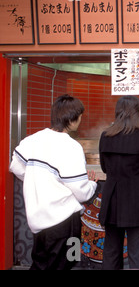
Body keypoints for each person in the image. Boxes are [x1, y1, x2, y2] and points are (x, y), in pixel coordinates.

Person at [9, 94, 98, 270]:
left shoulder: (32, 140)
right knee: (67, 262)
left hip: (38, 221)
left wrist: (40, 179)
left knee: (41, 263)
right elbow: (80, 191)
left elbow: (16, 167)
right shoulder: (71, 146)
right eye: (80, 115)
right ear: (72, 118)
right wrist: (92, 184)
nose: (80, 119)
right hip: (64, 222)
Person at [99, 96, 139, 270]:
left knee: (111, 253)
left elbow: (105, 168)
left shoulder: (105, 136)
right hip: (135, 203)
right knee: (137, 254)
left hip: (112, 201)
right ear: (137, 114)